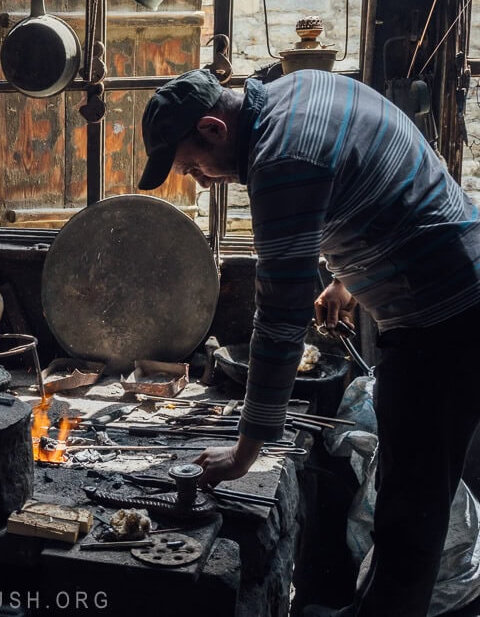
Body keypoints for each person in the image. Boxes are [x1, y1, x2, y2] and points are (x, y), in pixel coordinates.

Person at [137, 68, 480, 616]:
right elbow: (377, 175)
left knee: (410, 511)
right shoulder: (302, 89)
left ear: (213, 128)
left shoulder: (280, 161)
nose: (201, 182)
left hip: (445, 320)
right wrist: (347, 276)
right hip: (450, 295)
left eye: (194, 166)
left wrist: (246, 451)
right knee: (404, 490)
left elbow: (279, 315)